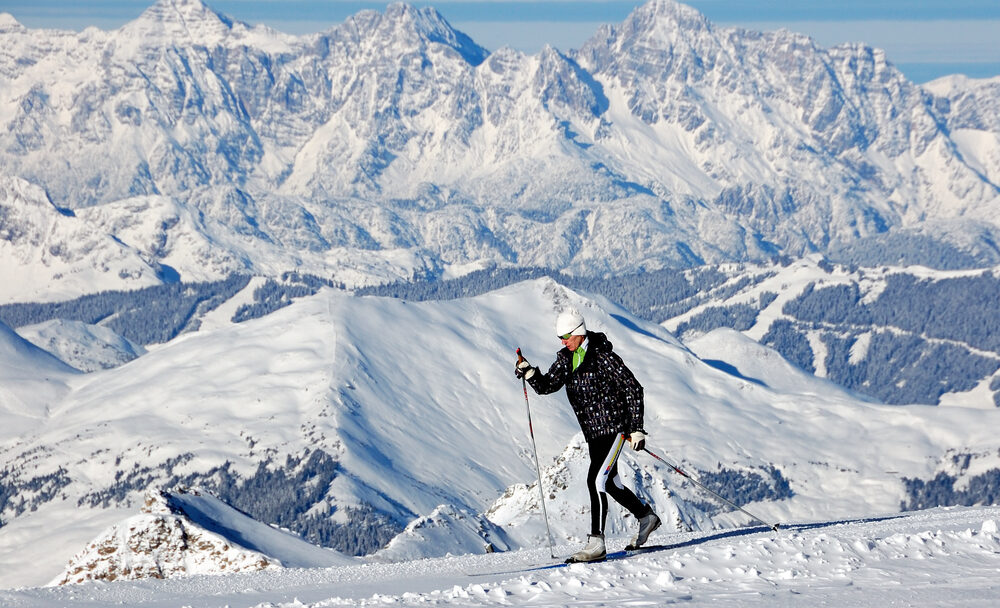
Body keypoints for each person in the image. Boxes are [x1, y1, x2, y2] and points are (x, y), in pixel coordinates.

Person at [515, 309, 660, 562]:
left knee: (596, 481)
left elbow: (633, 388)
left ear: (580, 333)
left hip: (614, 428)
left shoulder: (603, 356)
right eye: (560, 337)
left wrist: (636, 427)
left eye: (567, 336)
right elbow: (548, 385)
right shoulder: (565, 359)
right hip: (592, 433)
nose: (563, 341)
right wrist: (530, 374)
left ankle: (597, 543)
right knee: (612, 484)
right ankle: (646, 517)